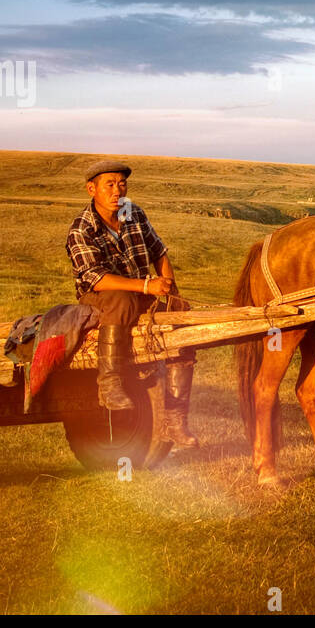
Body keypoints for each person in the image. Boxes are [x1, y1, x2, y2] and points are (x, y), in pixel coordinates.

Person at [65, 159, 198, 448]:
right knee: (121, 299)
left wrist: (169, 287)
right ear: (92, 189)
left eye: (121, 184)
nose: (117, 191)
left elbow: (159, 251)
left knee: (179, 311)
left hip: (140, 294)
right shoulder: (81, 229)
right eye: (109, 185)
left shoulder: (133, 213)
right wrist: (146, 285)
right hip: (100, 299)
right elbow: (95, 278)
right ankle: (109, 384)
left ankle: (175, 420)